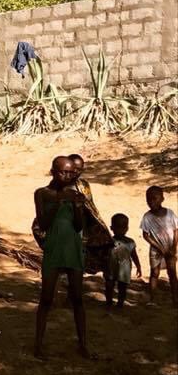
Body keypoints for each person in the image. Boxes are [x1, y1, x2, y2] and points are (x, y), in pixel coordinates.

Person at [33, 156, 88, 360]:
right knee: (46, 298)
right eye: (63, 172)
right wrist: (59, 200)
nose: (68, 176)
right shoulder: (42, 193)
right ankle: (38, 345)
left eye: (71, 172)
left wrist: (78, 206)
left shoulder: (75, 194)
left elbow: (79, 226)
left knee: (78, 298)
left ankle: (83, 345)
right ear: (53, 172)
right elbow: (43, 224)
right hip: (54, 248)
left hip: (73, 248)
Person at [69, 154, 114, 278]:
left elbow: (90, 205)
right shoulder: (60, 187)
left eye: (80, 169)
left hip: (84, 222)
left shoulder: (84, 185)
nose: (76, 172)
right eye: (74, 168)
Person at [140, 185, 178, 307]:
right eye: (148, 199)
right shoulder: (147, 217)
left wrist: (173, 247)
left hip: (170, 249)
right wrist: (158, 247)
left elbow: (176, 231)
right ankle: (152, 299)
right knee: (154, 274)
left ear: (162, 199)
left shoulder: (170, 214)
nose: (151, 202)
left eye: (154, 198)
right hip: (156, 251)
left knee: (172, 274)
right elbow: (145, 235)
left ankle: (175, 299)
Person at [104, 213, 141, 308]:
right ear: (112, 228)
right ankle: (108, 302)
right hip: (110, 268)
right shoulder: (109, 241)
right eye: (118, 227)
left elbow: (134, 255)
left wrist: (138, 266)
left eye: (123, 227)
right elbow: (103, 254)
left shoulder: (130, 242)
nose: (120, 230)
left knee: (122, 287)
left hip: (124, 269)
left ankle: (120, 303)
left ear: (127, 228)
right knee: (109, 285)